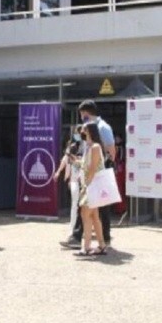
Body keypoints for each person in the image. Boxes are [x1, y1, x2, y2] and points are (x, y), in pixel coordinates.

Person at [61, 100, 115, 248]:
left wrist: (96, 169)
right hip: (89, 174)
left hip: (96, 175)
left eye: (82, 114)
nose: (81, 117)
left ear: (87, 113)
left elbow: (112, 152)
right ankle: (99, 239)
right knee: (96, 209)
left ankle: (81, 239)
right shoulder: (87, 130)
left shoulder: (103, 128)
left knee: (90, 207)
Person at [74, 122, 108, 256]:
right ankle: (101, 245)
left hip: (92, 185)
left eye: (83, 129)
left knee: (85, 214)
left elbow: (93, 167)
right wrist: (76, 161)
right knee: (94, 216)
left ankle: (86, 247)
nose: (81, 131)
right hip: (91, 184)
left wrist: (86, 185)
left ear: (89, 131)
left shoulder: (94, 147)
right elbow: (88, 165)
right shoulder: (89, 146)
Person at [53, 125, 83, 243]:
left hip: (85, 181)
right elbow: (64, 160)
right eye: (76, 133)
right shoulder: (72, 146)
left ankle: (85, 228)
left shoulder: (88, 147)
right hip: (74, 180)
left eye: (79, 132)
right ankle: (73, 228)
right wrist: (58, 172)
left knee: (85, 207)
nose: (77, 135)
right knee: (75, 204)